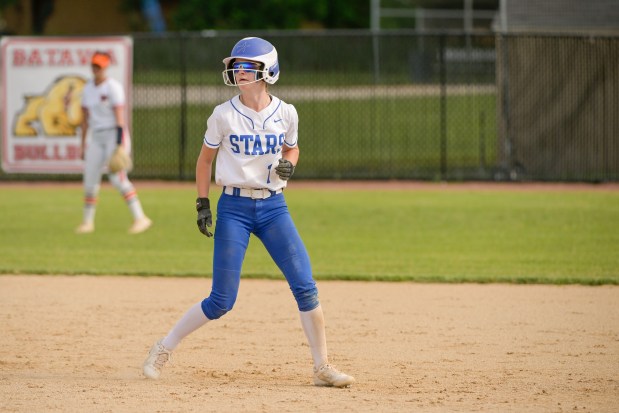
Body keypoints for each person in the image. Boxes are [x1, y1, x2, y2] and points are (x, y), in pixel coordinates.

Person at [142, 37, 355, 388]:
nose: (239, 71)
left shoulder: (286, 112)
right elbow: (205, 160)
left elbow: (293, 148)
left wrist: (289, 164)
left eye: (248, 66)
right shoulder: (224, 114)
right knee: (221, 300)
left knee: (305, 286)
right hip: (235, 207)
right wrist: (202, 203)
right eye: (236, 66)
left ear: (268, 71)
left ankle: (322, 367)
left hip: (274, 207)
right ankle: (163, 348)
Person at [75, 51, 152, 234]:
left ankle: (140, 218)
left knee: (117, 178)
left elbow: (120, 119)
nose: (96, 69)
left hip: (113, 135)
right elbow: (85, 120)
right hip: (97, 137)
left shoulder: (113, 87)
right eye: (94, 65)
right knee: (90, 178)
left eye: (99, 66)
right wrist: (82, 143)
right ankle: (87, 223)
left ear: (106, 68)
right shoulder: (88, 88)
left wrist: (119, 145)